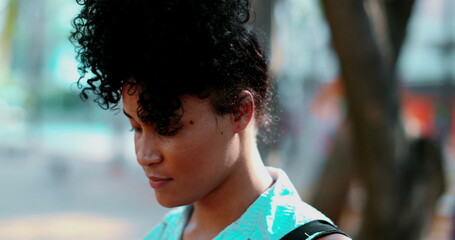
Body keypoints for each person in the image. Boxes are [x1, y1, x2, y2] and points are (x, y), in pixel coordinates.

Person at [70, 0, 351, 239]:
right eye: (136, 128)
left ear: (240, 111)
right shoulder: (161, 234)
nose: (144, 155)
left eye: (167, 128)